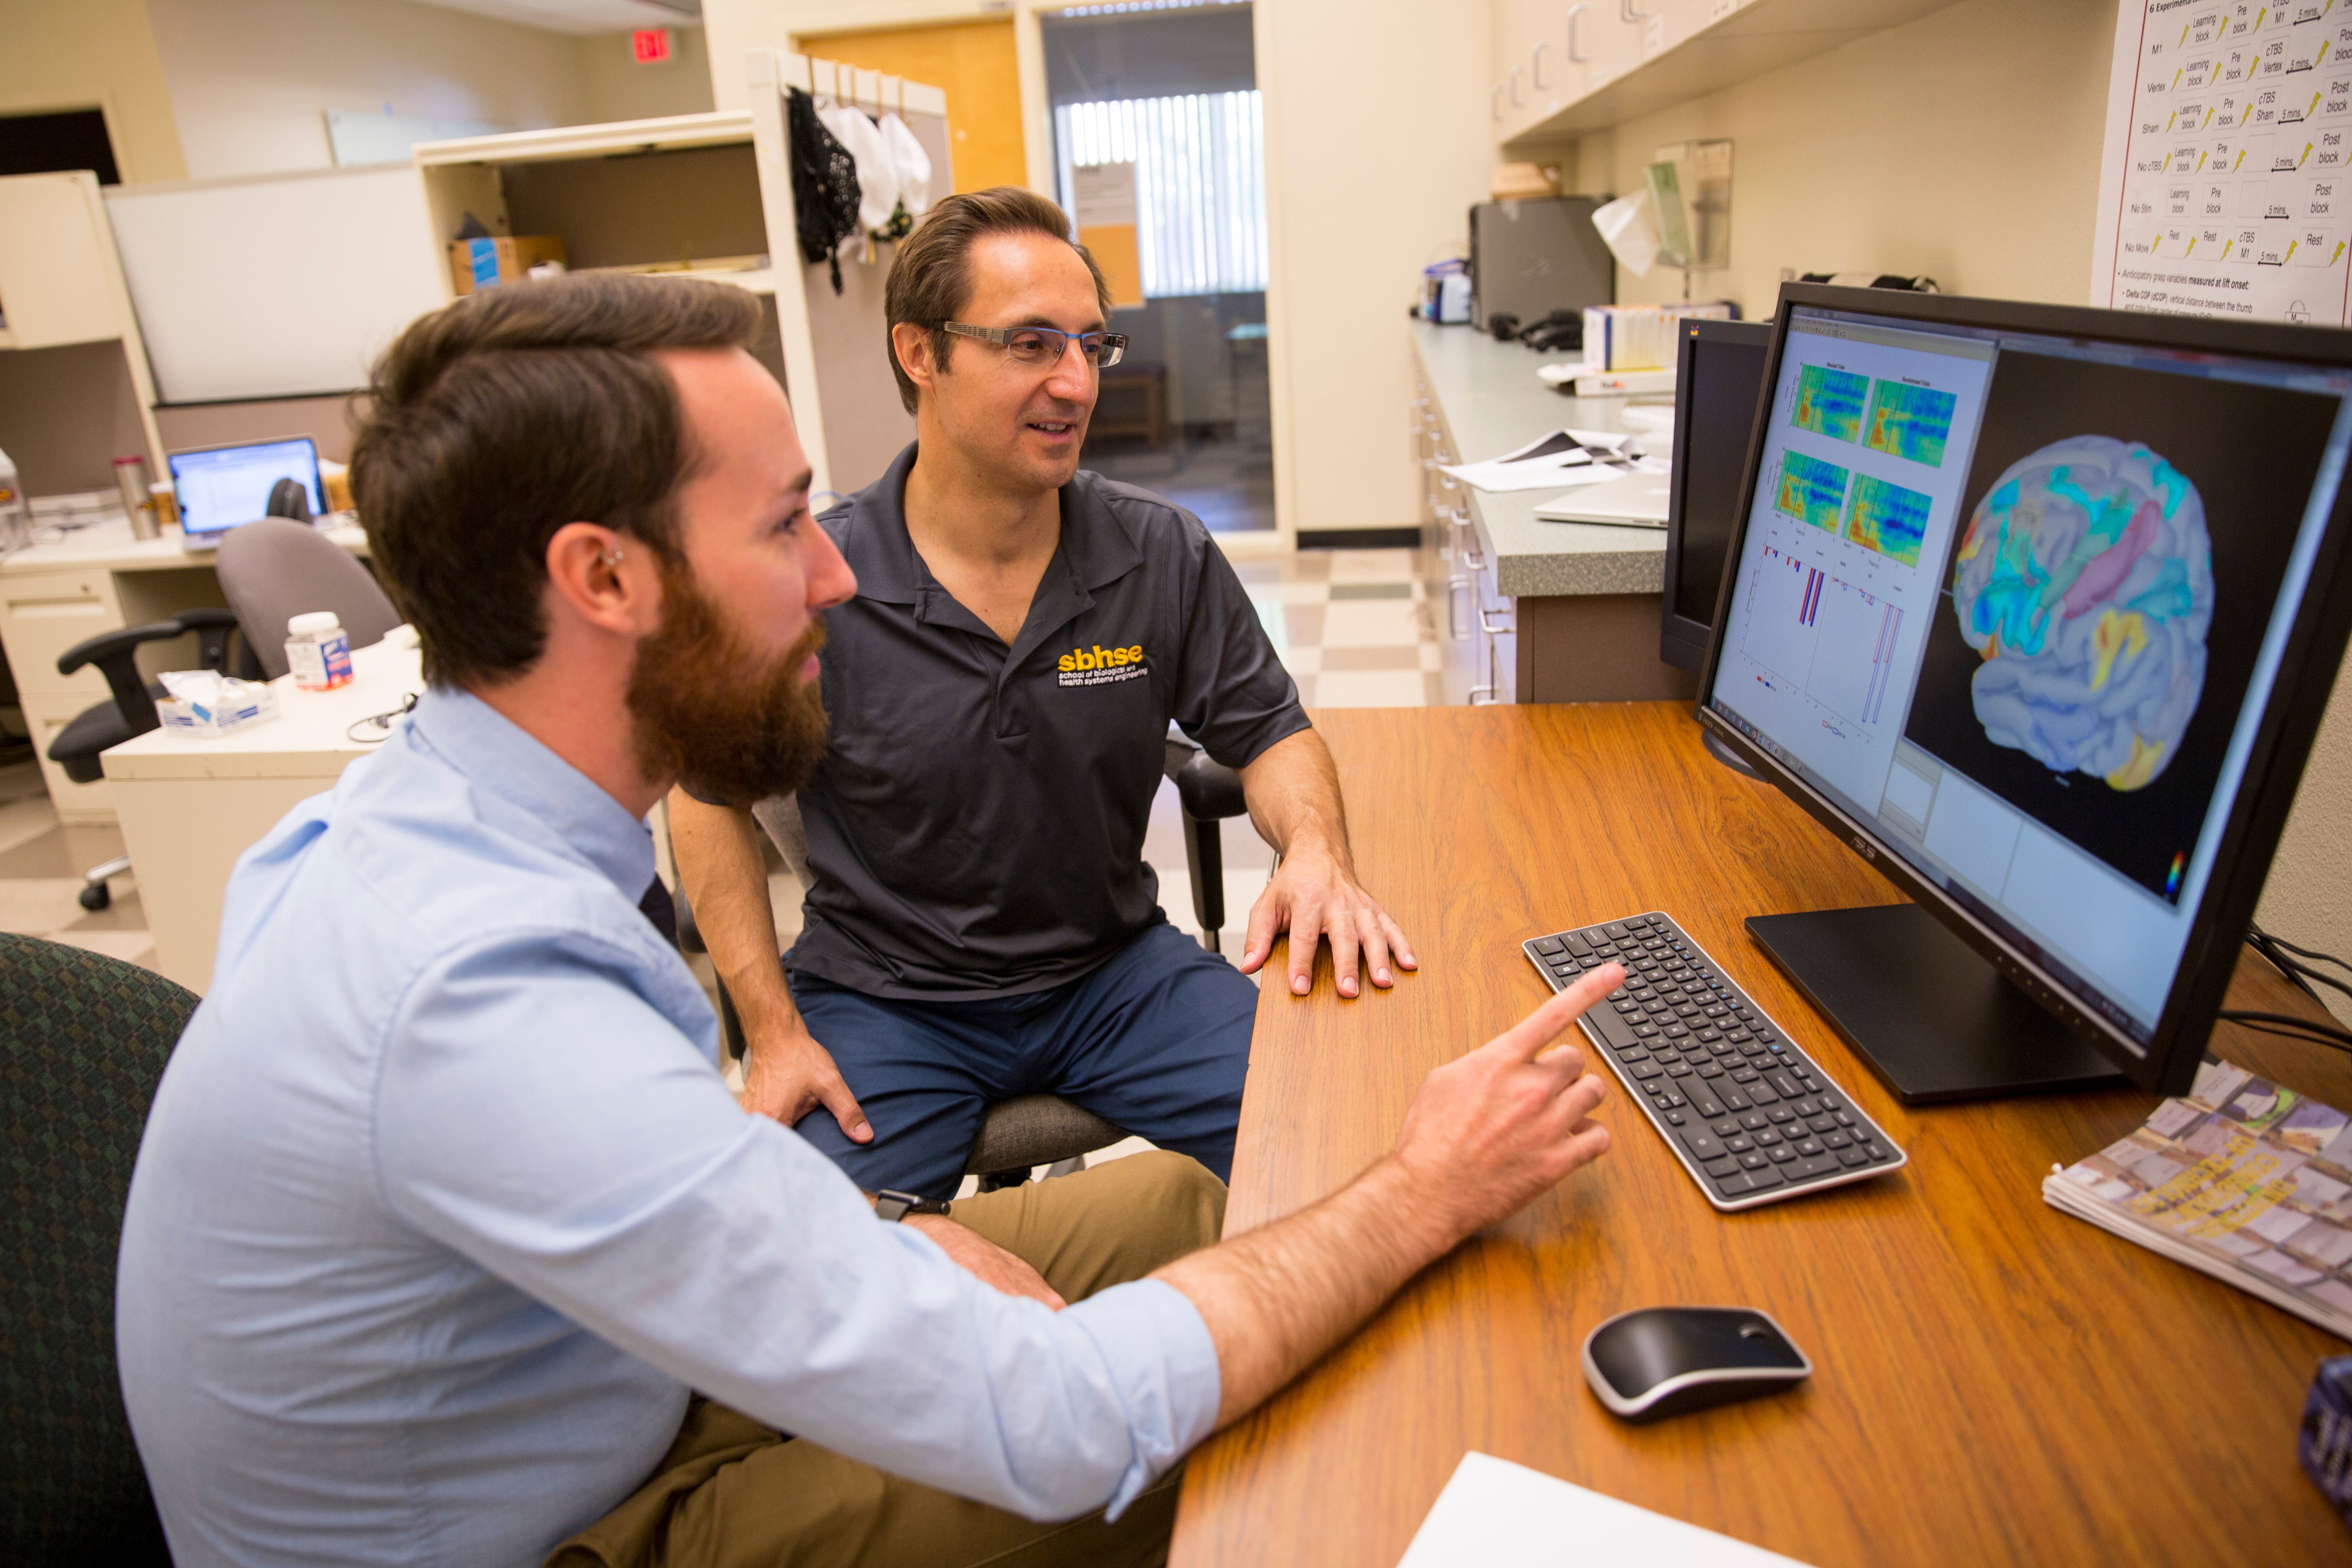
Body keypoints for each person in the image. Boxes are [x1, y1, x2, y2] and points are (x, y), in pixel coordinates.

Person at [114, 273, 1619, 1568]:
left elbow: (627, 1172)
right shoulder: (472, 983)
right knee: (1240, 1424)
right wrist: (1425, 1187)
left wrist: (879, 1227)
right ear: (604, 576)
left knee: (1185, 1210)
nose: (836, 573)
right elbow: (1059, 1425)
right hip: (577, 1527)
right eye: (781, 530)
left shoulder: (444, 827)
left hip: (597, 1377)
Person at [669, 187, 1405, 1198]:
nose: (1076, 382)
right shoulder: (820, 578)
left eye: (1091, 346)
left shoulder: (1157, 553)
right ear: (919, 353)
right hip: (887, 1002)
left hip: (1115, 978)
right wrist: (772, 1030)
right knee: (815, 1277)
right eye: (1030, 345)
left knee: (1348, 1150)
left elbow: (1271, 730)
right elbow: (703, 796)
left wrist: (1318, 853)